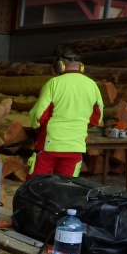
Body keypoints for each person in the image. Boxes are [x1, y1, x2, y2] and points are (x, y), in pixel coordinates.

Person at [27, 50, 103, 178]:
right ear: (81, 67)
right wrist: (79, 129)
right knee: (66, 186)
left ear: (60, 65)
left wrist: (40, 131)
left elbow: (38, 115)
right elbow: (97, 118)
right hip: (76, 146)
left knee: (36, 185)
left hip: (49, 145)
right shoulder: (92, 85)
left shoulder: (53, 83)